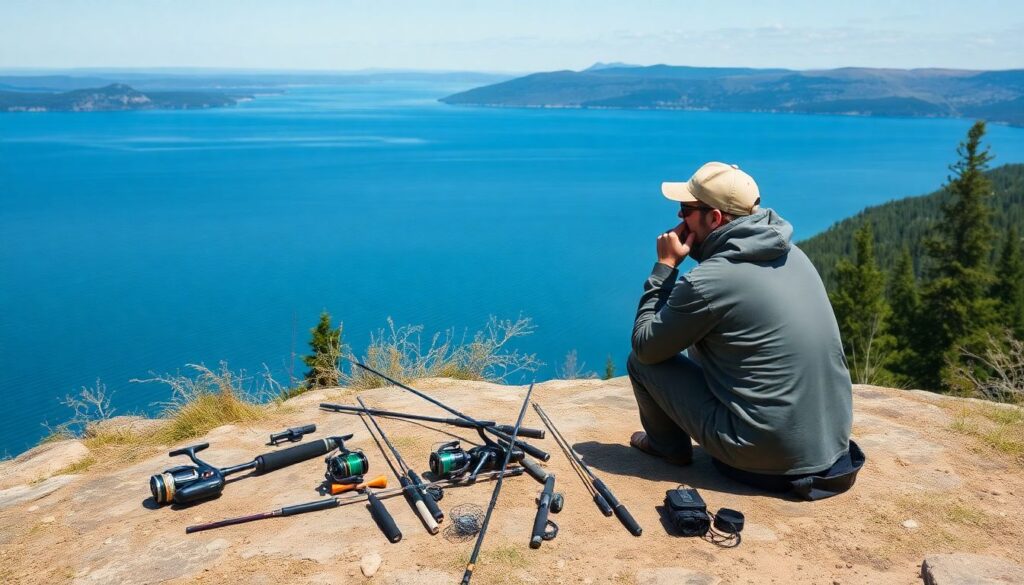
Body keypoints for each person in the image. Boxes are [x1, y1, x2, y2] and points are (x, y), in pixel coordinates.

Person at [627, 161, 863, 500]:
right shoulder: (794, 255)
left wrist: (664, 268)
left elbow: (646, 346)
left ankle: (667, 447)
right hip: (831, 449)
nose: (679, 217)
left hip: (761, 463)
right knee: (704, 339)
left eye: (686, 210)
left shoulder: (711, 281)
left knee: (642, 361)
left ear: (715, 218)